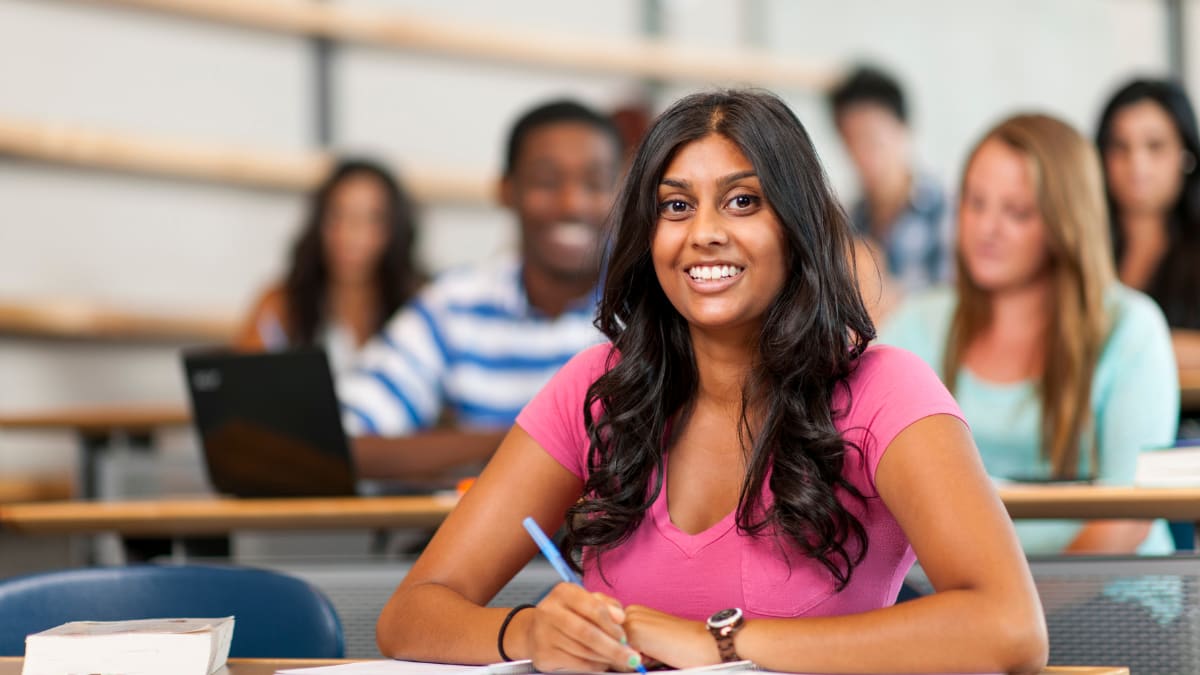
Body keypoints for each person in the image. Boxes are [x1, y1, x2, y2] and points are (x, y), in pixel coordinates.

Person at [375, 90, 1047, 674]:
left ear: (796, 225)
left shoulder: (884, 390)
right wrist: (528, 630)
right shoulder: (598, 389)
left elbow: (1010, 627)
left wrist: (720, 642)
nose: (704, 234)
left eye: (742, 201)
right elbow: (411, 614)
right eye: (675, 206)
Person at [881, 113, 1179, 555]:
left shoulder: (1131, 327)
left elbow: (1129, 516)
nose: (987, 228)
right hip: (949, 604)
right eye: (975, 203)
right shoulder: (917, 323)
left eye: (1016, 212)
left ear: (1065, 221)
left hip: (1113, 605)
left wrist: (1003, 616)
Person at [337, 100, 622, 481]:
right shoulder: (456, 304)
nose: (572, 203)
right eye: (547, 182)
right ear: (507, 191)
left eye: (596, 183)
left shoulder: (651, 305)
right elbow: (346, 440)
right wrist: (535, 443)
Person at [235, 158, 422, 376]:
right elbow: (242, 391)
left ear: (394, 230)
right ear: (318, 224)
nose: (349, 234)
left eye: (369, 219)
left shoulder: (421, 308)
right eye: (336, 216)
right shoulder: (281, 305)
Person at [1096, 78, 1200, 370]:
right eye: (1120, 146)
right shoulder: (1084, 245)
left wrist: (1131, 343)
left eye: (1155, 146)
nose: (1137, 164)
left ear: (1186, 156)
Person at [829, 66, 951, 300]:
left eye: (873, 138)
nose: (862, 154)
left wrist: (882, 291)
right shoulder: (847, 221)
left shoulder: (947, 211)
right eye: (850, 141)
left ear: (903, 128)